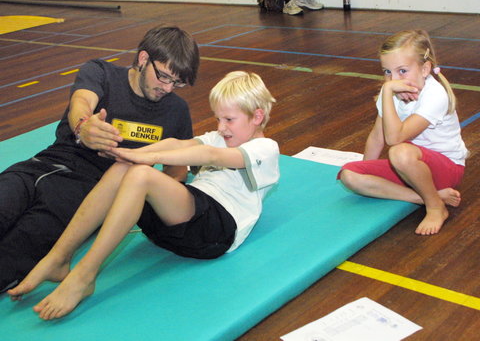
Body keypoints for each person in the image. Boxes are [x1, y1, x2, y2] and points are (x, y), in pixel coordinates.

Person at [8, 71, 280, 320]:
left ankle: (84, 276)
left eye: (229, 119)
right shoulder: (220, 136)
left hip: (215, 230)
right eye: (218, 118)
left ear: (257, 116)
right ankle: (59, 257)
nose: (221, 127)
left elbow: (209, 155)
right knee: (126, 166)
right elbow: (176, 144)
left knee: (142, 174)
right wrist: (132, 155)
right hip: (180, 223)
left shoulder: (265, 148)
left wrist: (145, 158)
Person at [0, 25, 200, 293]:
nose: (167, 88)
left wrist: (136, 199)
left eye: (177, 83)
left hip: (83, 196)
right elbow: (81, 102)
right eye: (163, 76)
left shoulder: (177, 111)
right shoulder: (101, 73)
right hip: (37, 168)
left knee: (14, 253)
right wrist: (85, 127)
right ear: (143, 59)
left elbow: (176, 173)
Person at [338, 29, 468, 236]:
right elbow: (377, 136)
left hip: (446, 168)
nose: (393, 79)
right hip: (408, 169)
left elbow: (394, 138)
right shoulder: (390, 92)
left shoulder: (435, 95)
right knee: (349, 175)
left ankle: (435, 207)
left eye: (402, 71)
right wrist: (366, 168)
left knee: (400, 151)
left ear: (425, 69)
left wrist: (387, 91)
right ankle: (426, 197)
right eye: (387, 72)